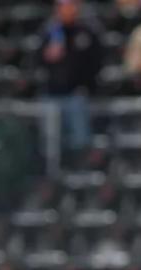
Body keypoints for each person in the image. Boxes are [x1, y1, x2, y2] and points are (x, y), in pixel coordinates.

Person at [39, 0, 104, 168]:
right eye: (62, 7)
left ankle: (80, 168)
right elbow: (39, 61)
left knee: (79, 139)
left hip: (77, 94)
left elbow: (96, 62)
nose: (66, 10)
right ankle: (53, 169)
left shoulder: (86, 32)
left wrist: (86, 85)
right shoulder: (51, 32)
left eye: (69, 6)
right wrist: (47, 55)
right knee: (51, 139)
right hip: (52, 93)